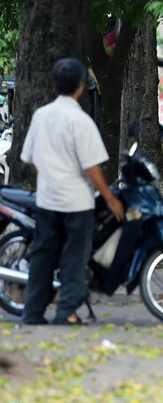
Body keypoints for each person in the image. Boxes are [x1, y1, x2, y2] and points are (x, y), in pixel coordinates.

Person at [20, 58, 125, 325]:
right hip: (77, 202)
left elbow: (30, 158)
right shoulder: (80, 120)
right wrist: (110, 198)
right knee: (74, 257)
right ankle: (67, 311)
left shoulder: (41, 116)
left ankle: (32, 312)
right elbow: (91, 166)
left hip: (46, 199)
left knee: (43, 255)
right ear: (80, 87)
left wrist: (49, 175)